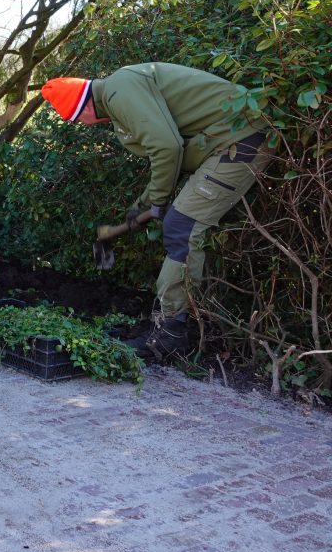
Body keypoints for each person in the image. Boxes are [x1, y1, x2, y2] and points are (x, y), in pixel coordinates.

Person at [41, 63, 270, 358]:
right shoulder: (119, 95)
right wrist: (142, 205)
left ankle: (171, 334)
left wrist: (158, 202)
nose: (83, 125)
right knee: (179, 225)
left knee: (181, 227)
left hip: (240, 140)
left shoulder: (119, 89)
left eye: (75, 119)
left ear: (82, 107)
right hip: (224, 142)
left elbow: (167, 148)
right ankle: (170, 323)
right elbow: (171, 151)